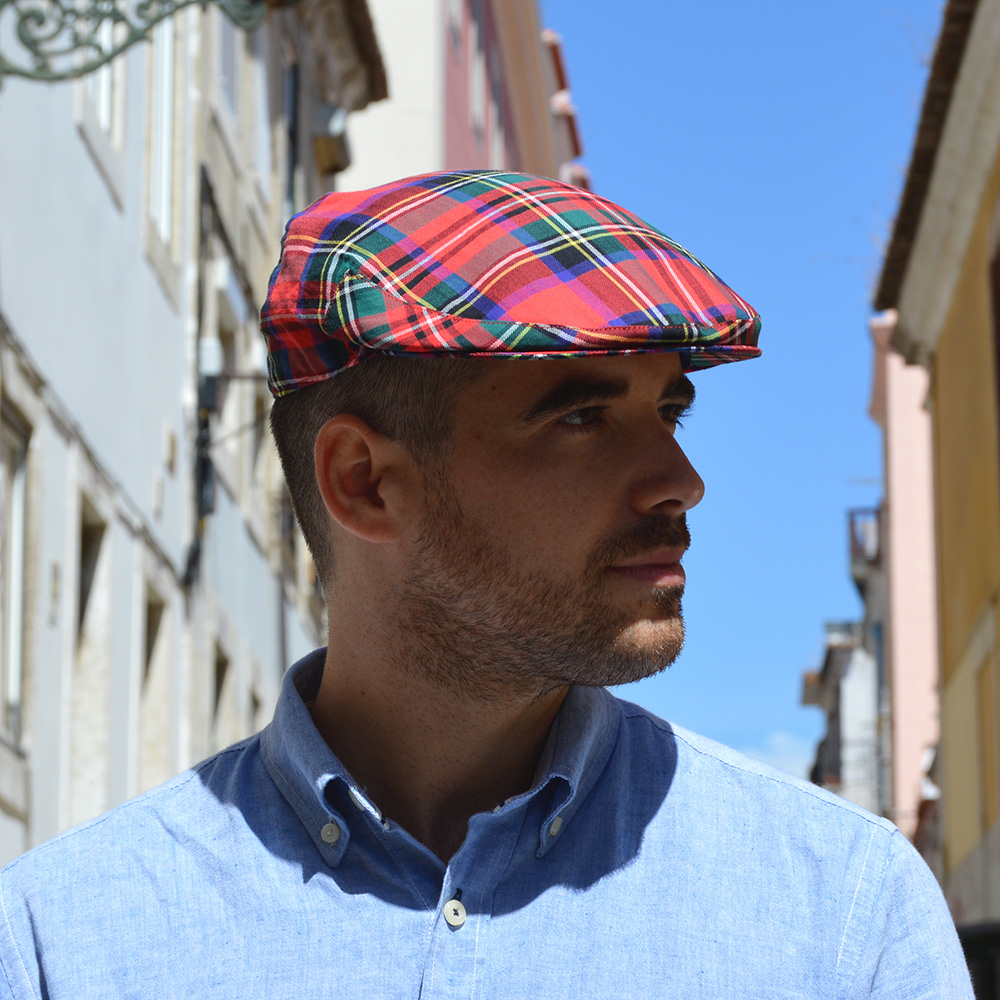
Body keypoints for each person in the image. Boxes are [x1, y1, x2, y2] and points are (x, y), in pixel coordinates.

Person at [0, 170, 971, 997]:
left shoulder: (839, 917)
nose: (680, 481)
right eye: (582, 418)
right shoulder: (69, 945)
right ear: (364, 482)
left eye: (670, 410)